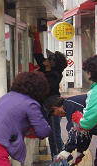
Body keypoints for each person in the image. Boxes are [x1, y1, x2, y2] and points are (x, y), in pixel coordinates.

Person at [32, 29, 68, 157]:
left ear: (52, 64)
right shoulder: (46, 69)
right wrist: (36, 37)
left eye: (48, 59)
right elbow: (38, 55)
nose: (45, 59)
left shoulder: (54, 75)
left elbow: (45, 87)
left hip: (52, 106)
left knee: (54, 135)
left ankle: (59, 162)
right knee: (52, 135)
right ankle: (58, 160)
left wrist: (36, 74)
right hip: (45, 105)